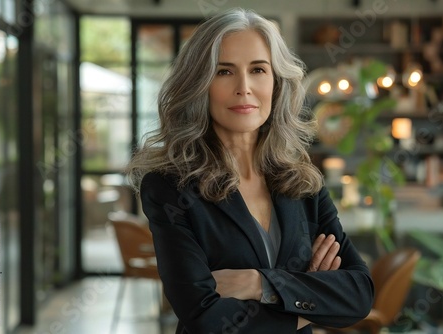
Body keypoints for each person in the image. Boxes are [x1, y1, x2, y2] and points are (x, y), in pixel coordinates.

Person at [127, 8, 373, 334]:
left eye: (258, 69)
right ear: (200, 83)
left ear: (276, 83)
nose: (244, 87)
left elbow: (359, 294)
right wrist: (314, 300)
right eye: (224, 72)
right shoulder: (169, 186)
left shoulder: (301, 180)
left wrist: (260, 284)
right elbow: (206, 318)